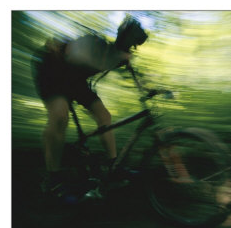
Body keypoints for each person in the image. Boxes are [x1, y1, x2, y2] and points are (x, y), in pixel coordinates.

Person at [32, 16, 148, 201]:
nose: (132, 50)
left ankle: (113, 166)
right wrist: (56, 45)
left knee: (104, 117)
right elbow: (69, 51)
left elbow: (136, 79)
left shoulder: (120, 58)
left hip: (74, 80)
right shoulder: (96, 43)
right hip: (51, 70)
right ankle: (52, 179)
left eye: (134, 46)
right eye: (132, 43)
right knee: (60, 115)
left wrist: (149, 90)